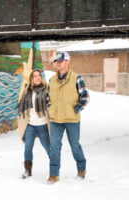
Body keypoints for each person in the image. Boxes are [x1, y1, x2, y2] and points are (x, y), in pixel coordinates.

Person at [47, 51, 90, 184]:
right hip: (55, 119)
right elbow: (47, 97)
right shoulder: (52, 80)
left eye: (61, 61)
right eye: (57, 61)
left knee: (75, 146)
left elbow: (85, 97)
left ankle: (81, 169)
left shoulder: (77, 78)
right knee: (54, 147)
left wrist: (76, 109)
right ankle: (54, 175)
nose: (58, 63)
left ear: (67, 62)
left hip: (72, 119)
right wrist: (50, 107)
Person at [17, 69, 51, 179]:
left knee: (48, 148)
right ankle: (27, 170)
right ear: (32, 78)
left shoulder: (47, 90)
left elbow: (52, 105)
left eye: (39, 75)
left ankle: (54, 169)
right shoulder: (27, 91)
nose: (37, 77)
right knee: (27, 148)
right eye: (35, 76)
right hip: (30, 125)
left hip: (43, 124)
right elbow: (21, 105)